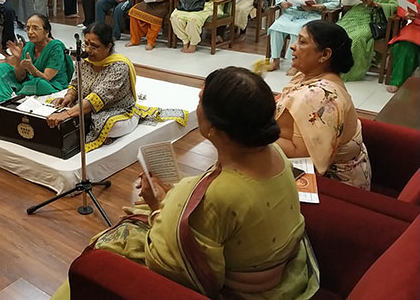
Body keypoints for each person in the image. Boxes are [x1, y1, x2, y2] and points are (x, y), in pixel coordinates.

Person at [51, 67, 319, 300]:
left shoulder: (220, 195)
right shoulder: (276, 153)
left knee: (105, 249)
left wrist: (158, 207)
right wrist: (174, 201)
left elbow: (180, 271)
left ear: (213, 127)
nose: (198, 101)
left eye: (202, 100)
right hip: (284, 271)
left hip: (241, 292)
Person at [47, 22, 187, 152]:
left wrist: (66, 114)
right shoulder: (84, 60)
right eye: (86, 44)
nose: (88, 50)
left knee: (110, 126)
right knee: (52, 105)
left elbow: (97, 98)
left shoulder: (119, 66)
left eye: (94, 46)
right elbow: (75, 83)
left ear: (108, 46)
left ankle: (133, 118)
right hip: (85, 106)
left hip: (115, 109)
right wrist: (69, 97)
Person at [276, 21, 371, 190]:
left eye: (302, 42)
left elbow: (302, 155)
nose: (293, 46)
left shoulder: (319, 95)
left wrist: (253, 134)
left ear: (325, 54)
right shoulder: (306, 75)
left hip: (336, 187)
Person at [267, 0, 339, 72]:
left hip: (314, 15)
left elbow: (335, 2)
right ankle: (275, 61)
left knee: (299, 30)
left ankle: (294, 64)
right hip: (294, 13)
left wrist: (320, 6)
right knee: (276, 27)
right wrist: (282, 2)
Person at [337, 0, 398, 81]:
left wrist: (376, 4)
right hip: (352, 16)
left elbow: (395, 5)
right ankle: (332, 68)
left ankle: (349, 72)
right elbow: (348, 5)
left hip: (372, 19)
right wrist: (346, 0)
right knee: (335, 33)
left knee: (355, 38)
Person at [0, 14, 73, 103]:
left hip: (52, 84)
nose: (30, 32)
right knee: (3, 67)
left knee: (38, 83)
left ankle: (12, 95)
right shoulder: (29, 46)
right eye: (28, 28)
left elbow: (46, 78)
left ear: (46, 32)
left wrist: (31, 68)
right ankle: (6, 100)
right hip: (30, 81)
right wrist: (18, 59)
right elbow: (21, 78)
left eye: (35, 28)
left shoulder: (56, 48)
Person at [387, 0, 420, 93]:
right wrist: (406, 14)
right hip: (416, 27)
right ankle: (398, 81)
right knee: (405, 46)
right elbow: (403, 6)